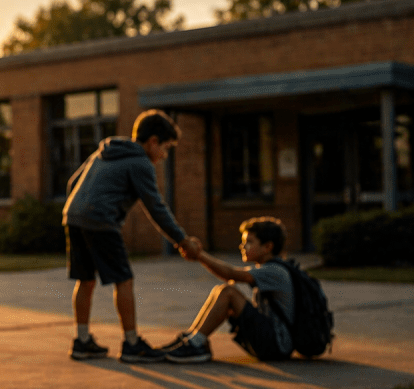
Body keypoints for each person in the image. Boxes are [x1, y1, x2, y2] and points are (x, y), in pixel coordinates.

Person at [63, 109, 202, 364]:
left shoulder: (103, 152)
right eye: (166, 148)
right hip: (101, 220)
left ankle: (82, 341)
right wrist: (182, 240)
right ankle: (132, 344)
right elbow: (156, 208)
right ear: (153, 142)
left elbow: (73, 183)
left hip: (73, 216)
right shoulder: (140, 163)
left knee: (85, 279)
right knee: (123, 280)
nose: (164, 155)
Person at [165, 217, 294, 363]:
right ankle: (191, 338)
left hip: (277, 344)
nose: (242, 246)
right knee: (220, 291)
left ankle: (196, 343)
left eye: (249, 242)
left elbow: (230, 274)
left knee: (229, 292)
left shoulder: (275, 270)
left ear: (267, 247)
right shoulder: (269, 268)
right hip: (273, 342)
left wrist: (199, 255)